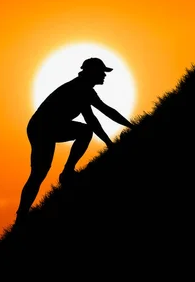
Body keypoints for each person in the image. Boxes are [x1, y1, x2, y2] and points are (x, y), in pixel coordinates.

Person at [14, 57, 134, 226]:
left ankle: (66, 173)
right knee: (39, 173)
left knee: (40, 172)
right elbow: (93, 120)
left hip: (46, 127)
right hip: (42, 128)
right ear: (92, 72)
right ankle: (22, 216)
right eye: (102, 72)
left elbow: (104, 112)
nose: (104, 76)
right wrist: (110, 142)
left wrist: (129, 127)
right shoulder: (80, 88)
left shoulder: (85, 89)